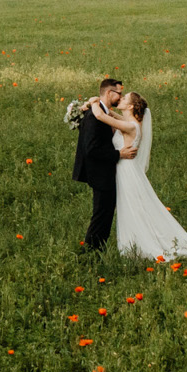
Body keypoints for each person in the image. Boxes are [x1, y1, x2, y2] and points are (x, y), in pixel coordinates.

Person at [111, 91, 187, 259]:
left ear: (131, 106)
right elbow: (112, 116)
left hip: (127, 171)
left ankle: (140, 243)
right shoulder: (129, 122)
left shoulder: (130, 125)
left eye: (124, 98)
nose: (120, 99)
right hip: (126, 170)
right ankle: (133, 242)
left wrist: (93, 104)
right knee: (133, 206)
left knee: (134, 207)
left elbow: (102, 116)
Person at [72, 78, 135, 251]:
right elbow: (92, 149)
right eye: (119, 93)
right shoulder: (95, 116)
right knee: (101, 215)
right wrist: (118, 154)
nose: (120, 97)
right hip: (100, 173)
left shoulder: (101, 112)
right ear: (109, 93)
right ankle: (91, 251)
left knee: (105, 214)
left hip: (105, 171)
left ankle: (97, 249)